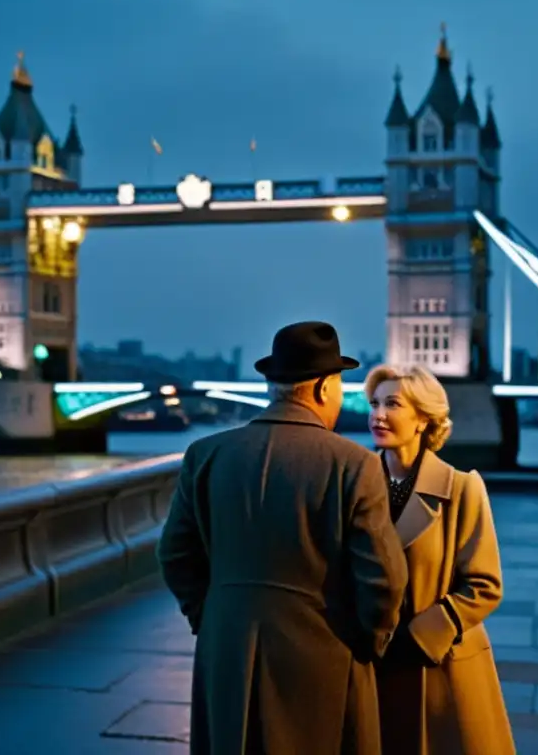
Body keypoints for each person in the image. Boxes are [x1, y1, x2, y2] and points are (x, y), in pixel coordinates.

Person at [157, 321, 408, 755]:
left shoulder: (206, 454)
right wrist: (369, 640)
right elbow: (383, 577)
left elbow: (175, 553)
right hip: (322, 649)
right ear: (323, 389)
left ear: (273, 384)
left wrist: (212, 615)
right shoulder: (355, 465)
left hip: (226, 644)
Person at [365, 364, 515, 755]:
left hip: (437, 666)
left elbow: (485, 585)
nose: (378, 414)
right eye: (374, 403)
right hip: (371, 664)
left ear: (422, 420)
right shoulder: (355, 486)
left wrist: (422, 635)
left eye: (392, 404)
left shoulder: (463, 489)